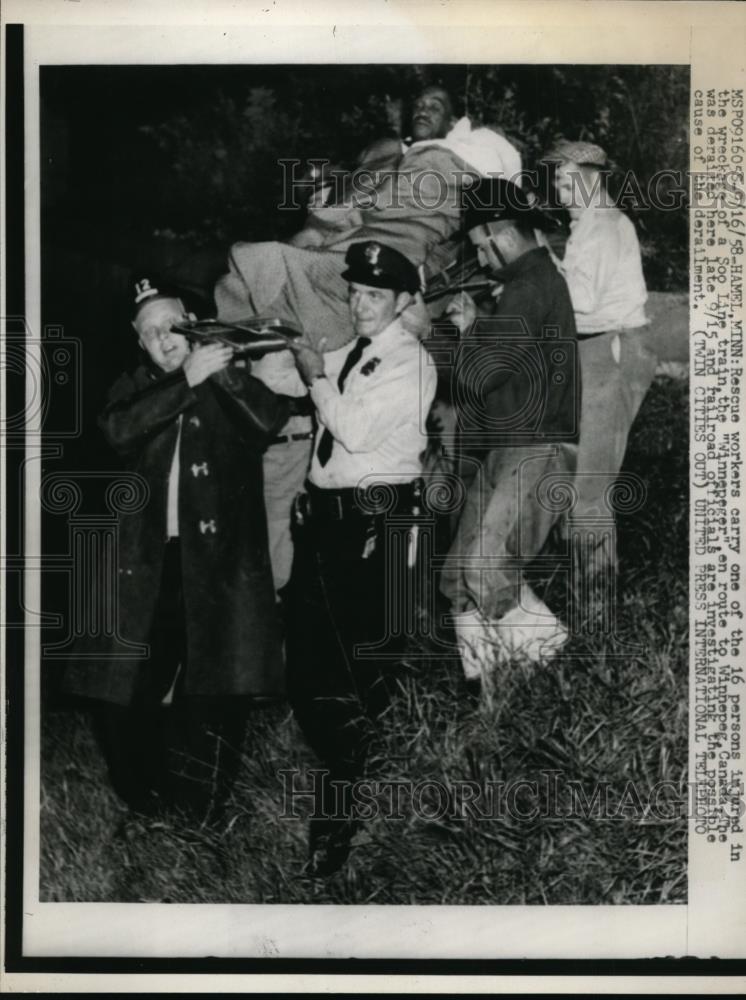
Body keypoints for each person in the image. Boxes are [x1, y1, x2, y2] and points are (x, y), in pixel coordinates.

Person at [63, 277, 292, 826]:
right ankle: (144, 798)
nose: (164, 339)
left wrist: (225, 372)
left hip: (217, 567)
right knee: (124, 689)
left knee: (217, 688)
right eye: (150, 333)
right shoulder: (132, 388)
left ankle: (206, 809)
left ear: (194, 322)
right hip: (149, 564)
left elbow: (269, 420)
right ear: (139, 345)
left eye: (172, 325)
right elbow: (116, 430)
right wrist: (186, 380)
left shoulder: (232, 377)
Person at [284, 240, 437, 876]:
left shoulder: (413, 364)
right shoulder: (348, 353)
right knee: (310, 663)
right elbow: (317, 417)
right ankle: (353, 777)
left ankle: (342, 821)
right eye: (353, 293)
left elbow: (354, 429)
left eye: (375, 295)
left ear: (404, 302)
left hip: (378, 521)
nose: (360, 304)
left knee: (356, 668)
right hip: (326, 523)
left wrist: (312, 374)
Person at [439, 178, 580, 688]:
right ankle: (493, 696)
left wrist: (444, 336)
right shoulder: (529, 282)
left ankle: (562, 664)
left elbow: (481, 374)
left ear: (499, 232)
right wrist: (475, 326)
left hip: (535, 451)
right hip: (511, 448)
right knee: (457, 579)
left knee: (484, 570)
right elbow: (506, 366)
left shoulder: (527, 284)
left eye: (480, 244)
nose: (479, 256)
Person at [541, 140, 658, 619]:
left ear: (593, 177)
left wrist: (536, 273)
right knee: (580, 480)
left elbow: (583, 303)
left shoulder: (602, 228)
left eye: (567, 180)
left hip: (610, 351)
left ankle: (595, 616)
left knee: (590, 487)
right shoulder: (592, 224)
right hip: (600, 348)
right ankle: (585, 597)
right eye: (557, 179)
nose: (559, 189)